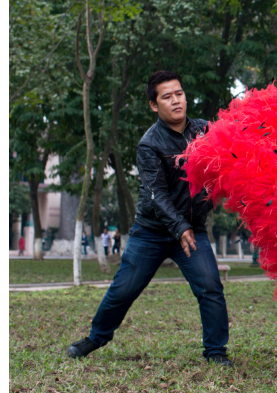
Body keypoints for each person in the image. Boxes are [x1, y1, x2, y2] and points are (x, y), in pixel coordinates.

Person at [66, 70, 232, 366]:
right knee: (124, 290)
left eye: (179, 93)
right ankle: (96, 337)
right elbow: (158, 195)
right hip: (152, 232)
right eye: (167, 97)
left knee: (210, 287)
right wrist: (179, 227)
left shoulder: (205, 130)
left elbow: (231, 158)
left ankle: (216, 352)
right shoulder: (149, 144)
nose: (176, 101)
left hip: (193, 230)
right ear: (155, 105)